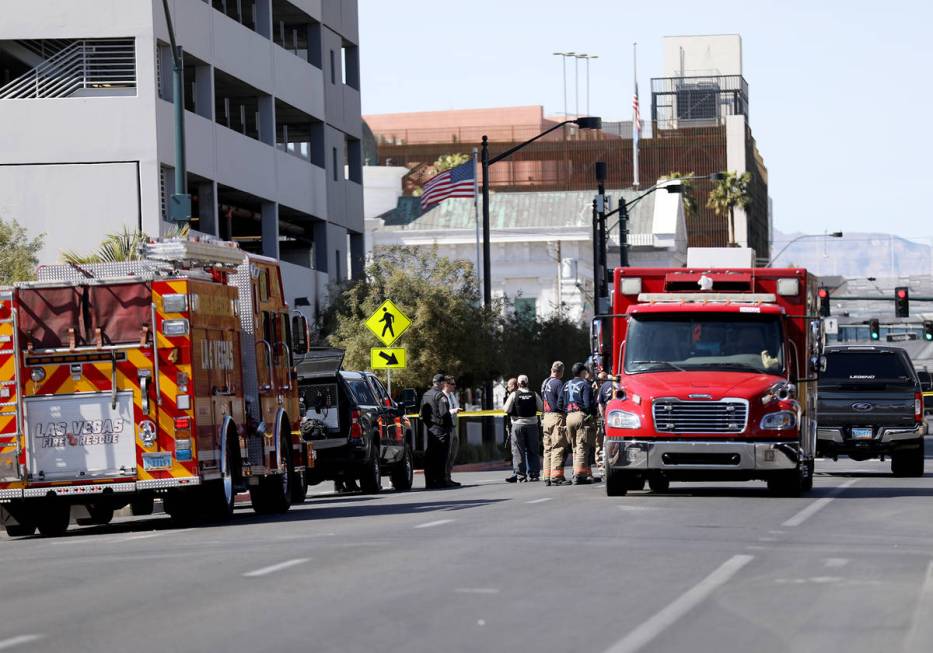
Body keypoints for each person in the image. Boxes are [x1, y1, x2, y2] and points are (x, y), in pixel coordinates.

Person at [559, 362, 596, 484]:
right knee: (582, 445)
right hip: (581, 416)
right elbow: (587, 404)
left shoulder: (565, 384)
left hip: (568, 417)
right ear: (583, 372)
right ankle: (580, 476)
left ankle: (576, 472)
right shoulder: (585, 385)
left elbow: (559, 404)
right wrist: (590, 414)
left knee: (574, 446)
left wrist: (568, 412)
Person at [503, 374, 542, 482]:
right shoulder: (534, 394)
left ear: (518, 384)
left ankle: (521, 475)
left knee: (518, 451)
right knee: (533, 450)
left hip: (518, 425)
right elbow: (542, 408)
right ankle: (534, 474)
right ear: (528, 383)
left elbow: (506, 409)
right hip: (532, 425)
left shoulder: (514, 394)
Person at [420, 374, 455, 489]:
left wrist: (429, 425)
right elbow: (445, 413)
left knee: (430, 456)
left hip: (430, 430)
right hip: (441, 430)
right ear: (440, 383)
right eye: (444, 383)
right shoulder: (440, 396)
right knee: (441, 457)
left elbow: (422, 415)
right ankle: (440, 480)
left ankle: (429, 482)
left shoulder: (426, 394)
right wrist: (449, 426)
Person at [540, 361, 571, 486]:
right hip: (556, 416)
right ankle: (557, 475)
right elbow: (561, 402)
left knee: (547, 448)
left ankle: (547, 475)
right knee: (558, 446)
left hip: (546, 417)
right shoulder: (558, 383)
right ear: (560, 371)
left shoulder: (545, 382)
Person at [443, 375, 463, 487]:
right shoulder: (442, 396)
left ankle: (448, 476)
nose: (454, 386)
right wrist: (454, 411)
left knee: (453, 453)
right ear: (446, 384)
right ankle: (444, 477)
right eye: (452, 384)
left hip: (454, 426)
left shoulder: (452, 395)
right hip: (447, 427)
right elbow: (443, 412)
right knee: (448, 452)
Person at [595, 371, 615, 474]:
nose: (600, 381)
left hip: (608, 419)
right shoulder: (620, 383)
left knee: (605, 442)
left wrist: (604, 418)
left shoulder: (603, 387)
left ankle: (604, 467)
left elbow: (600, 405)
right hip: (621, 419)